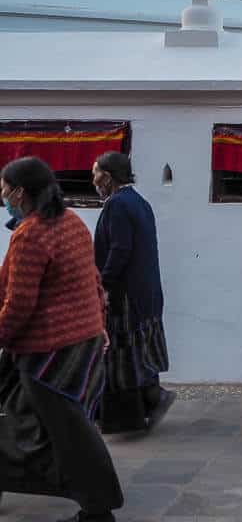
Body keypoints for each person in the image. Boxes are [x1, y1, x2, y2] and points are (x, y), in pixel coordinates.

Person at [0, 157, 124, 522]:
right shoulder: (70, 220)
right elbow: (93, 278)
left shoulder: (32, 234)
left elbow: (20, 305)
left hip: (48, 353)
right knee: (55, 426)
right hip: (80, 344)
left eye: (4, 187)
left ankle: (98, 508)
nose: (2, 194)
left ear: (20, 192)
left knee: (66, 435)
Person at [92, 151, 173, 434]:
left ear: (108, 176)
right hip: (144, 291)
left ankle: (150, 401)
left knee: (124, 352)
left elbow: (120, 250)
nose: (93, 179)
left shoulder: (117, 205)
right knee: (136, 350)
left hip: (125, 294)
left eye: (95, 174)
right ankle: (146, 404)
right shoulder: (139, 202)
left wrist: (102, 284)